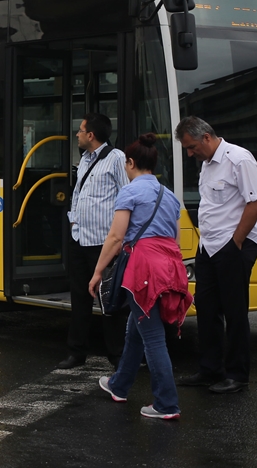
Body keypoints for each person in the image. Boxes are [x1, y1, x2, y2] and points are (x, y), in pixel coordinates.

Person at [89, 134, 192, 420]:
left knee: (153, 338)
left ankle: (166, 404)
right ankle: (119, 385)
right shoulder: (170, 196)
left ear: (131, 163)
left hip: (143, 269)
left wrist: (98, 272)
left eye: (126, 164)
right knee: (137, 328)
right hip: (169, 267)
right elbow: (176, 239)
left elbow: (116, 237)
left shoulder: (130, 192)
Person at [175, 116, 257, 395]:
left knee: (235, 311)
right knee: (207, 307)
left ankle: (237, 374)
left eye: (191, 147)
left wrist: (235, 242)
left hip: (234, 245)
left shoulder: (239, 159)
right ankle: (210, 369)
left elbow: (256, 201)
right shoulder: (206, 164)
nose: (190, 154)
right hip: (209, 246)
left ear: (206, 137)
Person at [59, 113, 128, 370]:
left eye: (80, 130)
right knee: (79, 299)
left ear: (91, 135)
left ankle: (117, 356)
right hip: (80, 240)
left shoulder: (116, 158)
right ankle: (76, 352)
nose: (77, 134)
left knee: (109, 301)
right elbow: (79, 194)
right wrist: (74, 222)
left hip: (103, 243)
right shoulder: (86, 159)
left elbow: (126, 196)